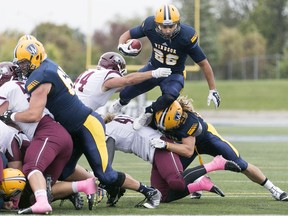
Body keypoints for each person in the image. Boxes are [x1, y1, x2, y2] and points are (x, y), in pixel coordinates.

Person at [1, 37, 162, 210]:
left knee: (106, 175)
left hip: (86, 125)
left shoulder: (41, 74)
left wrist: (12, 115)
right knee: (64, 171)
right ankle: (90, 186)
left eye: (25, 62)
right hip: (69, 129)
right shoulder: (47, 67)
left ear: (35, 57)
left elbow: (34, 114)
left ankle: (149, 191)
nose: (23, 67)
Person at [0, 61, 97, 213]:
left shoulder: (8, 88)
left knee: (31, 168)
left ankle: (41, 203)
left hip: (47, 133)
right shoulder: (28, 85)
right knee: (40, 191)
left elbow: (3, 114)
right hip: (59, 135)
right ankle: (85, 185)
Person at [150, 96, 288, 201]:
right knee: (173, 177)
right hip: (184, 145)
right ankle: (198, 180)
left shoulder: (189, 121)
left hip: (207, 140)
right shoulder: (157, 115)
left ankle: (273, 188)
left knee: (241, 164)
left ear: (180, 118)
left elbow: (188, 150)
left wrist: (166, 145)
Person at [109, 4, 220, 130]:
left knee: (170, 96)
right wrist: (121, 45)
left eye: (171, 26)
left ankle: (148, 112)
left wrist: (212, 89)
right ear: (157, 25)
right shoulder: (150, 25)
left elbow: (203, 63)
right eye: (164, 26)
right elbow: (128, 34)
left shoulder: (186, 36)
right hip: (153, 68)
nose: (168, 30)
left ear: (177, 23)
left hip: (174, 74)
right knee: (126, 92)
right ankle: (121, 103)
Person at [104, 113, 241, 203]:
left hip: (160, 147)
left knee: (177, 183)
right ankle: (200, 184)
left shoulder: (107, 131)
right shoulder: (117, 119)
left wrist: (108, 183)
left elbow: (105, 167)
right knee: (162, 196)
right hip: (154, 153)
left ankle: (217, 163)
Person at [74, 52, 171, 112]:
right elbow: (128, 80)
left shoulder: (90, 72)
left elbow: (124, 87)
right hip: (78, 114)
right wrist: (154, 73)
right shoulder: (107, 75)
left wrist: (145, 80)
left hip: (68, 108)